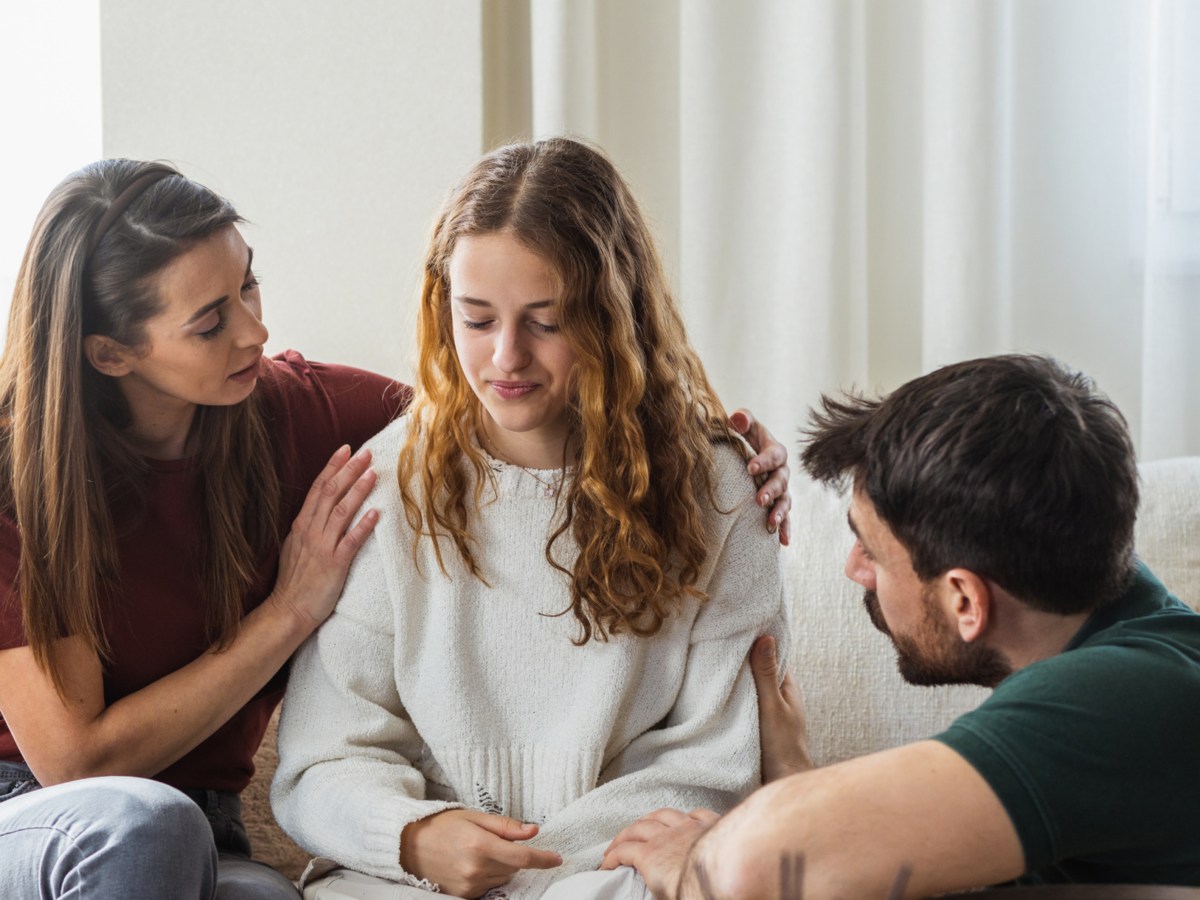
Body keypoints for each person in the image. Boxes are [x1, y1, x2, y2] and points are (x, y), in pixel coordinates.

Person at [0, 159, 794, 900]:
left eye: (250, 287)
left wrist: (710, 452)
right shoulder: (17, 477)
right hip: (45, 813)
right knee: (147, 831)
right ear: (109, 354)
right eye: (210, 323)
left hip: (209, 827)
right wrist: (289, 613)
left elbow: (495, 414)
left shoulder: (307, 419)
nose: (254, 333)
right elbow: (75, 763)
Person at [269, 137, 792, 900]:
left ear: (616, 318)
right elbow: (322, 759)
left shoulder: (719, 488)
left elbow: (716, 762)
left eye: (546, 322)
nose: (506, 357)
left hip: (614, 877)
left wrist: (532, 869)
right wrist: (416, 837)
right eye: (476, 320)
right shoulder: (388, 484)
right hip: (418, 883)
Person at [602, 354, 1200, 898]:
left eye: (871, 550)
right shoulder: (1132, 648)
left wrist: (693, 859)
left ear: (965, 599)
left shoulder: (1112, 703)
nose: (853, 569)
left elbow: (751, 869)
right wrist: (796, 778)